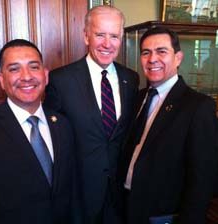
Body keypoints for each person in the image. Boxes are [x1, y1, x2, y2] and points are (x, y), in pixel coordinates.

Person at [0, 39, 80, 224]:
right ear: (2, 80)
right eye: (14, 69)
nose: (26, 76)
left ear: (45, 76)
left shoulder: (63, 124)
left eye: (34, 67)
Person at [44, 5, 139, 224]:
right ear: (86, 36)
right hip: (79, 196)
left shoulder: (131, 79)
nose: (107, 43)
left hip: (119, 195)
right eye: (100, 35)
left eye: (114, 36)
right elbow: (54, 142)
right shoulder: (61, 80)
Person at [117, 27, 218, 224]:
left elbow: (203, 179)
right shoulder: (138, 98)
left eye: (161, 51)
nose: (152, 59)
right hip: (127, 207)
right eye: (146, 53)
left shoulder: (198, 106)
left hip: (163, 215)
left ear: (178, 58)